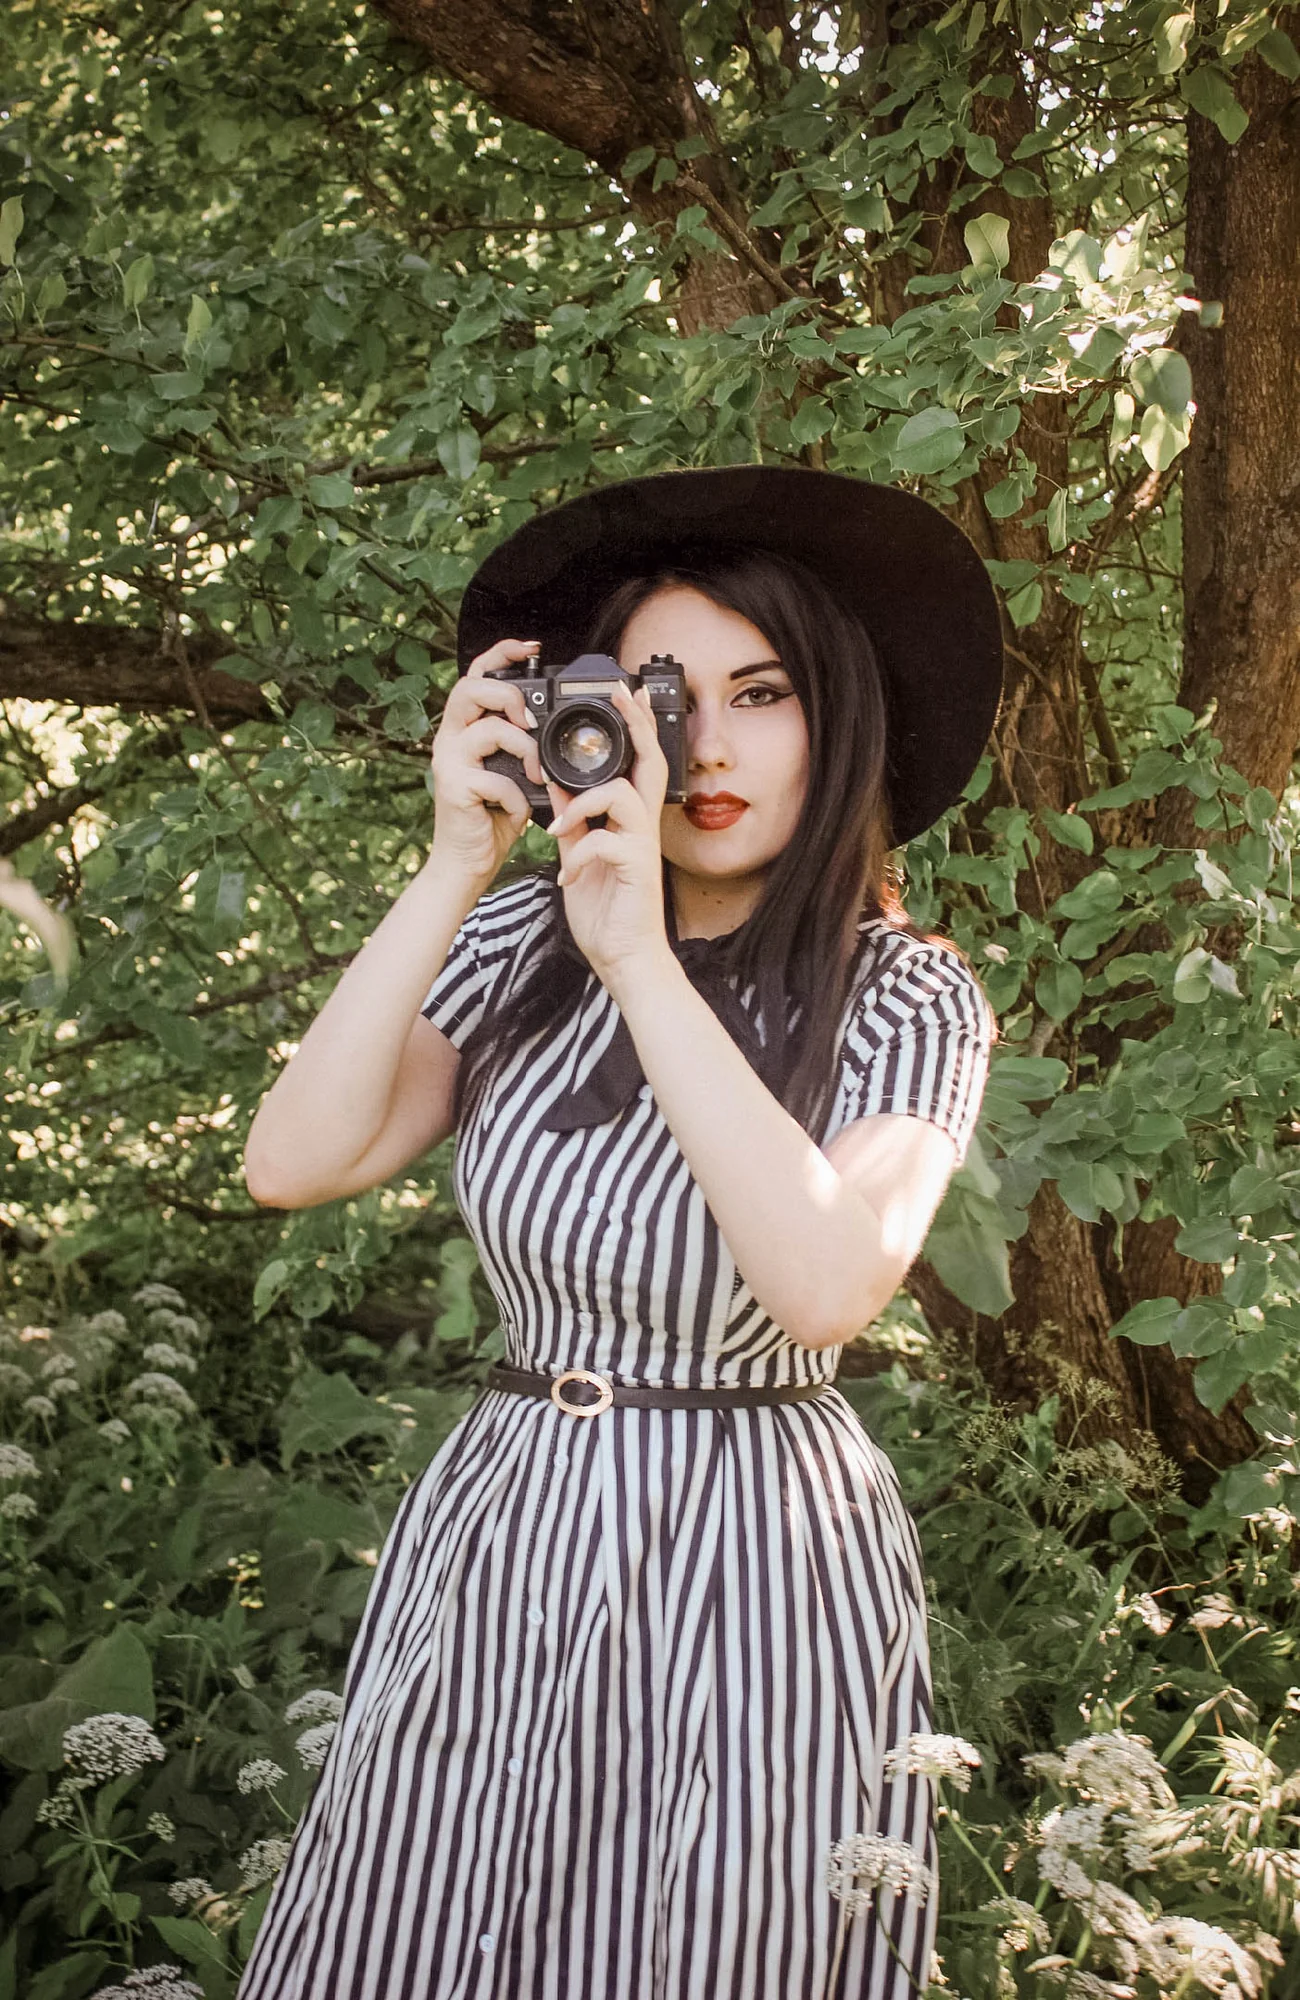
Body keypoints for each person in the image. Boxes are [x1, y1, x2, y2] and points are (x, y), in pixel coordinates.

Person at [237, 467, 1003, 2000]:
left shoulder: (909, 994)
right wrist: (464, 860)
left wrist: (644, 961)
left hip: (760, 1554)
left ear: (835, 716)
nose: (705, 748)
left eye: (762, 691)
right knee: (429, 1931)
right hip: (508, 1530)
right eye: (665, 694)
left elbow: (826, 1285)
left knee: (712, 1944)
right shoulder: (527, 943)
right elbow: (294, 1159)